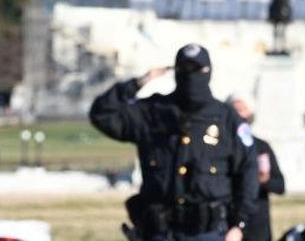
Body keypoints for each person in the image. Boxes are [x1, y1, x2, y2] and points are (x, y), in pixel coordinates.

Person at [89, 43, 258, 240]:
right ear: (176, 71)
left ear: (208, 72)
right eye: (185, 69)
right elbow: (102, 114)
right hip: (161, 232)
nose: (191, 76)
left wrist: (239, 224)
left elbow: (248, 172)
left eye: (196, 69)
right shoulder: (153, 112)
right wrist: (139, 82)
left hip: (209, 232)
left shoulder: (226, 119)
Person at [229, 96, 285, 241]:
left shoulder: (261, 147)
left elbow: (280, 186)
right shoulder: (222, 147)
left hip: (257, 223)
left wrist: (263, 180)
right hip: (229, 220)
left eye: (241, 110)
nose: (238, 115)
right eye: (234, 110)